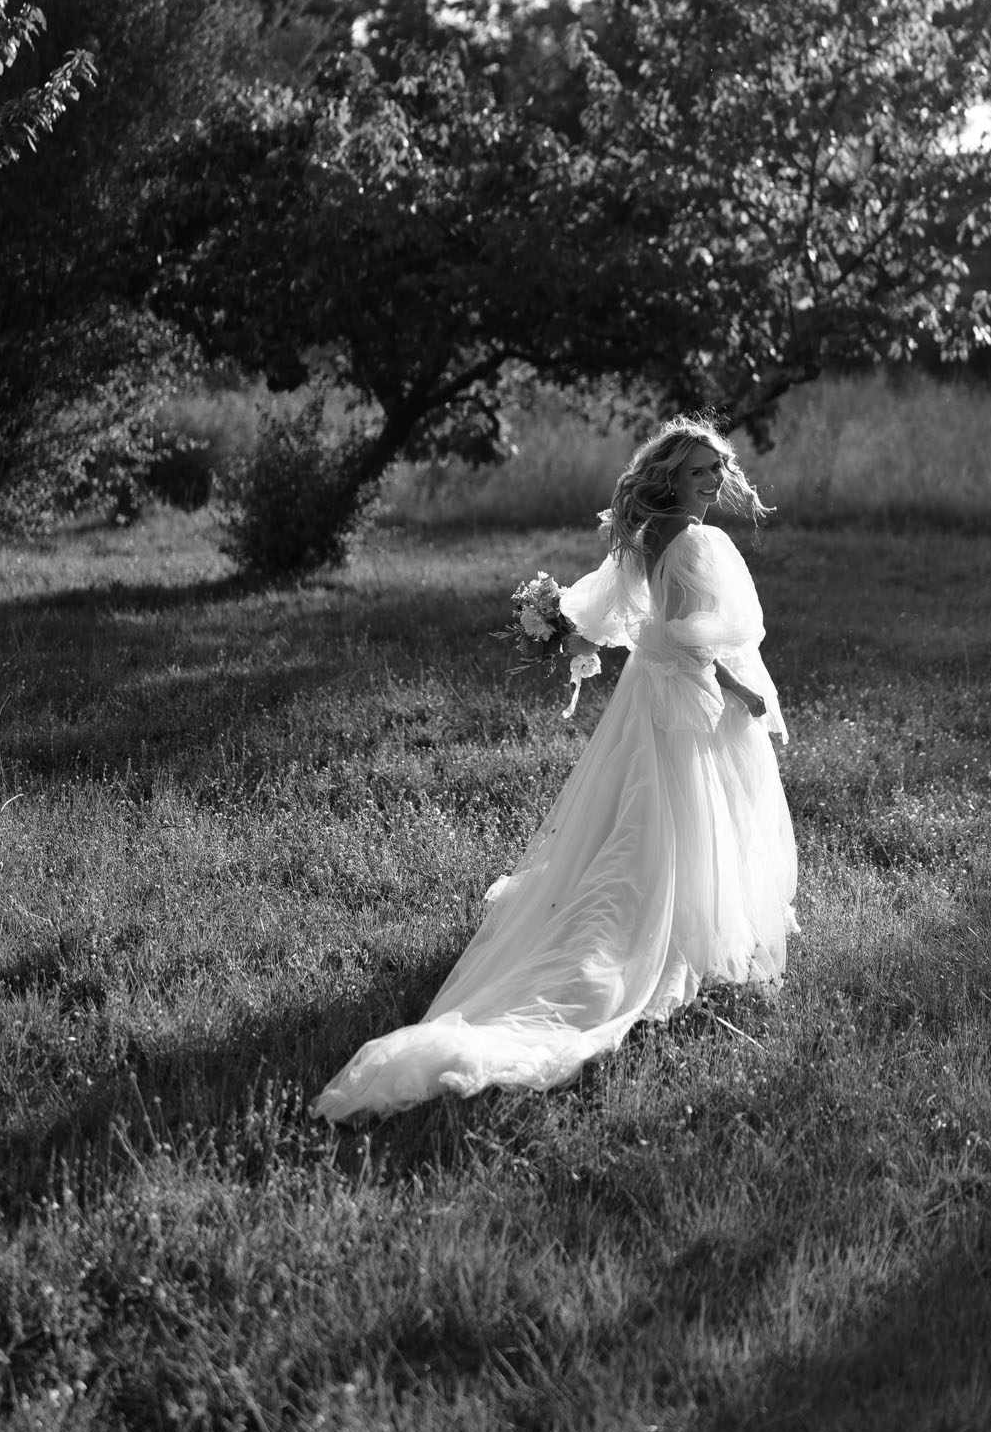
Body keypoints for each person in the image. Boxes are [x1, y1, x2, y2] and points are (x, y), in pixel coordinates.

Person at [311, 415, 798, 1118]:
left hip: (647, 695)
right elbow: (689, 641)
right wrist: (744, 691)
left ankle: (662, 911)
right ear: (669, 479)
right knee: (685, 811)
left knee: (645, 807)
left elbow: (608, 610)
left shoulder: (648, 534)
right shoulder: (691, 540)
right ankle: (672, 930)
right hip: (684, 697)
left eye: (715, 468)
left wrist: (559, 622)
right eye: (697, 471)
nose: (711, 480)